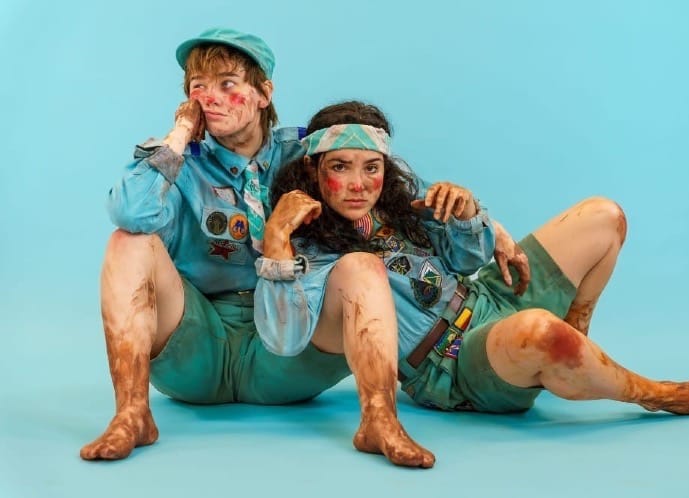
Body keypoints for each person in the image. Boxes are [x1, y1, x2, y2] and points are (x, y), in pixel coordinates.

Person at [257, 100, 689, 427]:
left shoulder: (394, 206)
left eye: (371, 166)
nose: (359, 183)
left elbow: (465, 262)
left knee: (604, 216)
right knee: (540, 333)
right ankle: (651, 393)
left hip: (487, 296)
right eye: (340, 167)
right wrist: (277, 238)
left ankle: (577, 337)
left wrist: (467, 214)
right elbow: (284, 338)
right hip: (451, 364)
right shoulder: (309, 246)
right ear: (313, 172)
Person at [80, 30, 434, 468]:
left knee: (361, 265)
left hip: (290, 349)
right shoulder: (177, 162)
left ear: (264, 92)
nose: (212, 98)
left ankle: (380, 421)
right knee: (127, 242)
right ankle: (132, 415)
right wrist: (179, 135)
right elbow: (130, 212)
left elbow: (387, 191)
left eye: (228, 84)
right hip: (196, 345)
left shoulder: (305, 151)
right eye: (199, 88)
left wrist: (480, 222)